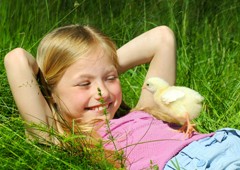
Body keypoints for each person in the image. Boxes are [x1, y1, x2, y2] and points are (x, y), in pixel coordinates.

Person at [4, 25, 240, 170]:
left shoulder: (148, 109)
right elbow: (16, 59)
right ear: (52, 91)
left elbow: (162, 38)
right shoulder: (62, 136)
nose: (103, 92)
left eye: (111, 78)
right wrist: (48, 85)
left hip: (228, 144)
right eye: (84, 83)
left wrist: (101, 63)